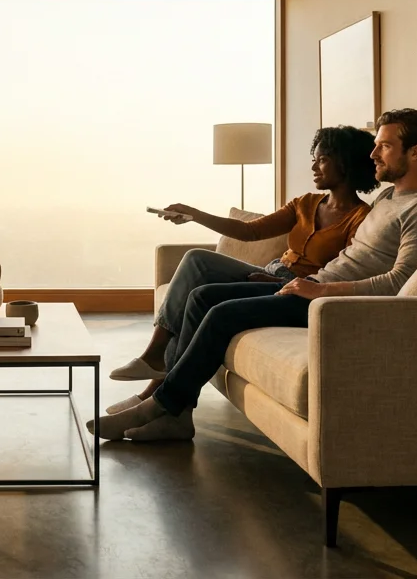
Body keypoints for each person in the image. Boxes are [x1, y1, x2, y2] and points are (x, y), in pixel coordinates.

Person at [91, 109, 417, 442]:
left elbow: (401, 281)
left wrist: (322, 289)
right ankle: (178, 413)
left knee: (221, 314)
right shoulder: (388, 199)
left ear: (415, 152)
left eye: (385, 146)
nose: (374, 154)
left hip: (333, 302)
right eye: (375, 146)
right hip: (313, 288)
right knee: (202, 296)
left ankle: (160, 405)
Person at [106, 126, 379, 417]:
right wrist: (195, 215)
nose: (313, 166)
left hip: (299, 287)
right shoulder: (306, 203)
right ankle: (155, 361)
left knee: (200, 292)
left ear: (346, 163)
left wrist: (276, 281)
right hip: (273, 271)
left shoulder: (362, 219)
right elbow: (249, 232)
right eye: (314, 158)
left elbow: (343, 271)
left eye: (322, 159)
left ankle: (155, 386)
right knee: (197, 260)